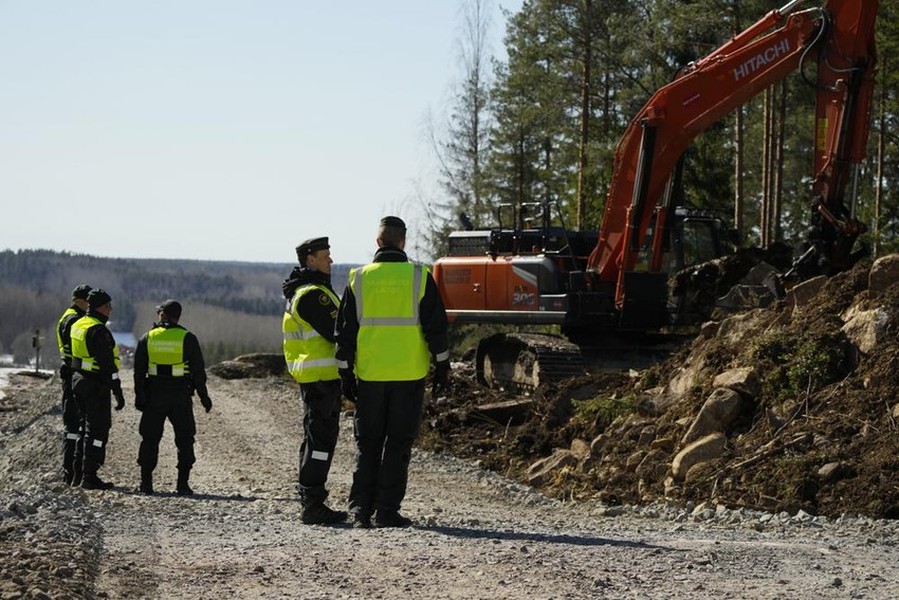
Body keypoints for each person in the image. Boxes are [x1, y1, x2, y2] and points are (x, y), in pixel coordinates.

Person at [335, 216, 450, 528]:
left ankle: (359, 511)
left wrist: (345, 374)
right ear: (403, 242)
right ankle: (387, 511)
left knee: (368, 444)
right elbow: (437, 329)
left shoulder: (358, 278)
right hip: (409, 375)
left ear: (378, 243)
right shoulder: (419, 277)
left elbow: (344, 332)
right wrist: (442, 368)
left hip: (370, 375)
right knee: (398, 444)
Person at [281, 236, 348, 525]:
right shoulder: (312, 295)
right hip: (321, 379)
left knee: (315, 437)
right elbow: (337, 331)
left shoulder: (310, 290)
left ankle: (311, 498)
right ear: (310, 259)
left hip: (318, 377)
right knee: (320, 440)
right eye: (325, 255)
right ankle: (313, 503)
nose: (330, 260)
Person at [133, 300, 212, 496]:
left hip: (154, 395)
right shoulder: (188, 338)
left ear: (163, 315)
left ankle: (146, 484)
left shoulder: (147, 337)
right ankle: (183, 485)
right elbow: (198, 372)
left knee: (150, 438)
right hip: (180, 396)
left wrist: (139, 395)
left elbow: (138, 372)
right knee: (185, 439)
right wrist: (204, 397)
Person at [70, 288, 125, 490]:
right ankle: (90, 476)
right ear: (101, 307)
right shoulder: (98, 330)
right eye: (108, 306)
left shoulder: (78, 324)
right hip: (95, 385)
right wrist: (118, 393)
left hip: (79, 381)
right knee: (99, 430)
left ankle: (78, 473)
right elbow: (108, 367)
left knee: (84, 428)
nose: (110, 310)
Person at [56, 284, 92, 486]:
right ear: (79, 299)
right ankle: (70, 472)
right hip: (72, 375)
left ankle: (71, 470)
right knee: (72, 425)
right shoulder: (73, 320)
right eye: (88, 300)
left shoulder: (69, 316)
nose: (89, 305)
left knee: (73, 424)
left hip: (70, 374)